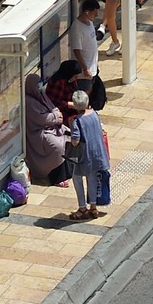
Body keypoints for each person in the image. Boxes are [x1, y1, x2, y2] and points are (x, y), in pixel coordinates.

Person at [64, 89, 111, 221]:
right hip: (98, 154)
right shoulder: (95, 114)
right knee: (92, 179)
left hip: (85, 157)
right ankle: (93, 207)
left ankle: (82, 208)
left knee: (77, 178)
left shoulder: (76, 121)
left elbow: (75, 141)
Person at [24, 72, 70, 186]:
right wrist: (55, 117)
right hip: (38, 132)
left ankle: (64, 172)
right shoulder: (28, 101)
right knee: (56, 146)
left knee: (68, 136)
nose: (40, 87)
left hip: (50, 127)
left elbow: (52, 107)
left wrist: (56, 115)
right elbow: (40, 118)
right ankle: (54, 176)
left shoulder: (40, 94)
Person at [68, 0, 106, 106]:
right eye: (95, 13)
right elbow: (77, 50)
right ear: (87, 12)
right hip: (84, 72)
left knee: (91, 93)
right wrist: (85, 68)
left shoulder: (89, 23)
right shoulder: (77, 28)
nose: (96, 15)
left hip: (93, 67)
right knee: (84, 95)